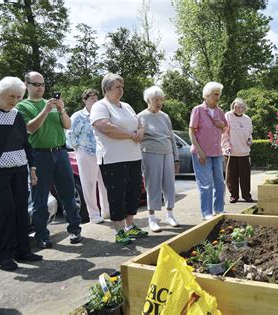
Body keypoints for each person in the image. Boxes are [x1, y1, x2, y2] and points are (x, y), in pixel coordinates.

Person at [16, 72, 82, 249]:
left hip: (60, 152)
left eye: (43, 84)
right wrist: (46, 111)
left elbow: (67, 125)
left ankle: (75, 229)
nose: (40, 87)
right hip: (39, 155)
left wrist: (61, 110)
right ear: (26, 85)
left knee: (68, 193)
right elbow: (30, 129)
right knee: (40, 199)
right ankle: (42, 236)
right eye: (36, 84)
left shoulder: (52, 104)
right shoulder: (23, 106)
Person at [90, 73, 148, 245]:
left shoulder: (127, 106)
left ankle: (130, 226)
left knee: (133, 192)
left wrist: (140, 132)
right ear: (107, 89)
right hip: (113, 159)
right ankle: (119, 230)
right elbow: (105, 127)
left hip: (133, 157)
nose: (121, 90)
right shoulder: (100, 106)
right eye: (117, 87)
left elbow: (140, 124)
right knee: (117, 194)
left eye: (122, 87)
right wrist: (131, 135)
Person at [0, 77, 43, 271]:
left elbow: (26, 143)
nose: (14, 100)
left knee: (22, 211)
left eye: (18, 96)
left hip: (19, 169)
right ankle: (2, 256)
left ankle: (22, 250)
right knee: (5, 212)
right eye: (11, 96)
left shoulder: (16, 115)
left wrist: (32, 167)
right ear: (0, 94)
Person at [138, 86, 180, 232]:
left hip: (167, 153)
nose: (159, 103)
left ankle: (170, 215)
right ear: (148, 100)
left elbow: (172, 138)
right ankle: (152, 219)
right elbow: (138, 140)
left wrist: (176, 158)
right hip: (150, 154)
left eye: (161, 100)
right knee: (153, 186)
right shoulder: (141, 117)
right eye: (156, 100)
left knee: (169, 185)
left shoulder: (165, 116)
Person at [66, 89, 109, 224]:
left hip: (102, 152)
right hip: (86, 152)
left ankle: (107, 211)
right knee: (89, 184)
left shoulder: (102, 114)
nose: (95, 101)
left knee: (105, 184)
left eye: (96, 98)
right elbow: (70, 135)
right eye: (91, 99)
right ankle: (94, 215)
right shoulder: (78, 116)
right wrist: (78, 149)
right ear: (85, 100)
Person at [189, 82, 228, 220]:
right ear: (206, 96)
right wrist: (199, 151)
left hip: (217, 153)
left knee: (219, 183)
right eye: (215, 94)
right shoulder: (198, 110)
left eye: (219, 94)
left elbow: (225, 129)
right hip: (202, 153)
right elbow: (192, 132)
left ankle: (219, 209)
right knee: (206, 184)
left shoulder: (220, 111)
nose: (218, 97)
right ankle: (207, 213)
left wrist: (221, 124)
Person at [221, 98, 254, 203]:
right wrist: (226, 146)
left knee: (245, 176)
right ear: (233, 107)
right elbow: (224, 134)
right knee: (231, 175)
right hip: (231, 151)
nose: (240, 109)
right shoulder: (228, 116)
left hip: (244, 151)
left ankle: (246, 195)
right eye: (238, 107)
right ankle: (234, 195)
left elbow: (250, 133)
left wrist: (250, 140)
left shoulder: (247, 119)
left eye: (242, 107)